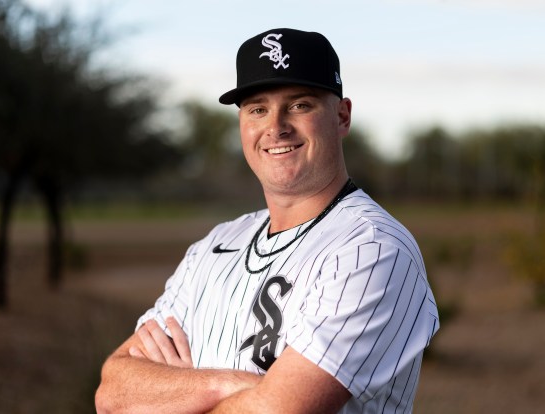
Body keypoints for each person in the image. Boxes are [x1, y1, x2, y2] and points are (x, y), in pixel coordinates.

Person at [95, 28, 439, 414]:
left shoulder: (371, 248)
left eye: (299, 105)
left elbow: (280, 411)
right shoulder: (213, 245)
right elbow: (112, 390)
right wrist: (237, 385)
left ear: (342, 117)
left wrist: (173, 394)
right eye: (258, 108)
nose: (276, 126)